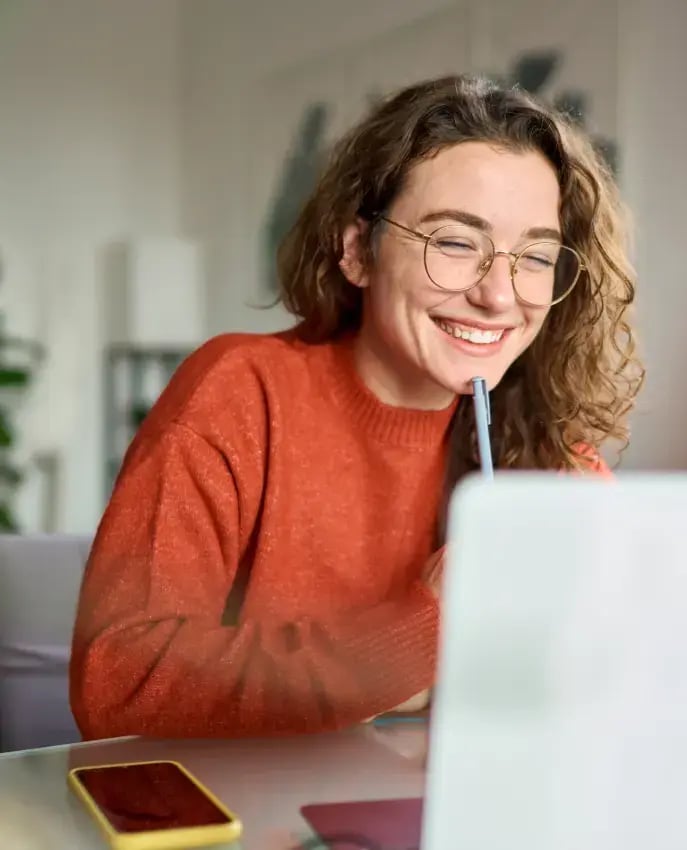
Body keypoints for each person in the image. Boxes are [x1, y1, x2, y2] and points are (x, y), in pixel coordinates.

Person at [69, 74, 642, 740]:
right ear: (356, 252)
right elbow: (118, 682)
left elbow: (614, 679)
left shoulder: (547, 450)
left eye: (535, 257)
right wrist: (421, 632)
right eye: (455, 243)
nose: (499, 294)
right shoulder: (239, 393)